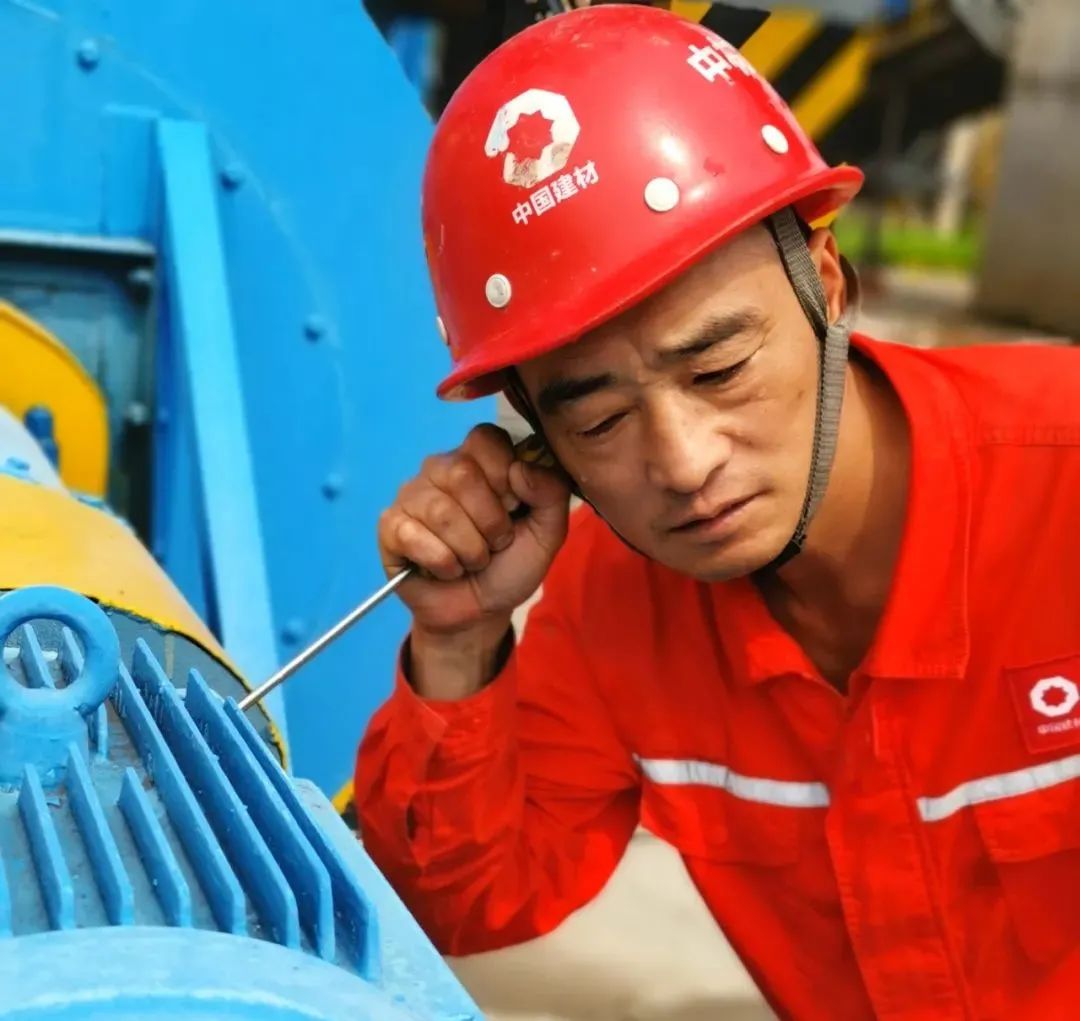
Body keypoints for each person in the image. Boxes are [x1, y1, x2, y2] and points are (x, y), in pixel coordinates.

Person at [355, 5, 1080, 1019]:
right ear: (535, 432)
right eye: (600, 419)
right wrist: (459, 645)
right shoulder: (614, 606)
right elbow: (457, 904)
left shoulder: (1060, 486)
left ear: (826, 282)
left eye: (721, 367)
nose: (686, 464)